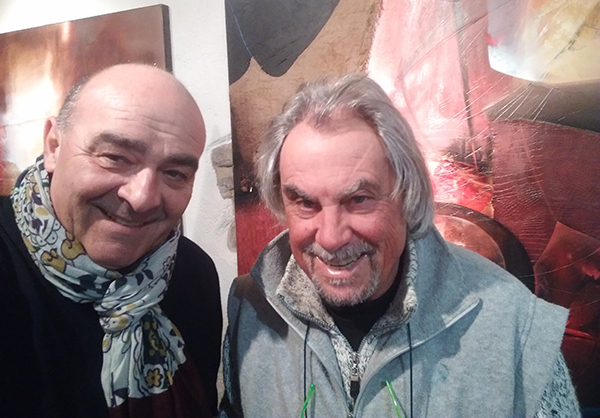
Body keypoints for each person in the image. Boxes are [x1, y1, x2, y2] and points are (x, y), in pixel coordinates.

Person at [219, 74, 581, 417]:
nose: (330, 237)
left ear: (407, 194)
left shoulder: (515, 327)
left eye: (359, 199)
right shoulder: (251, 311)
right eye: (305, 203)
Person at [0, 64, 222, 418]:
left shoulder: (193, 273)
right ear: (54, 145)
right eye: (115, 158)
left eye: (174, 173)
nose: (142, 197)